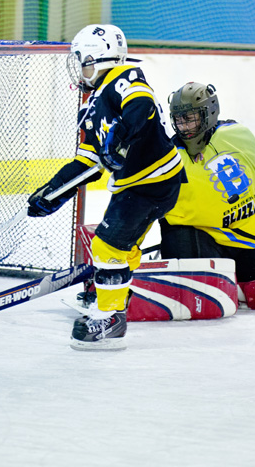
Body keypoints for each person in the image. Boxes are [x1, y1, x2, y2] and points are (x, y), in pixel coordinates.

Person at [27, 24, 184, 350]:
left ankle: (111, 318)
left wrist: (121, 134)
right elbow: (88, 164)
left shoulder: (124, 76)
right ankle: (116, 291)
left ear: (95, 58)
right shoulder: (91, 106)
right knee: (120, 247)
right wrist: (53, 193)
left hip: (151, 181)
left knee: (107, 247)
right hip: (141, 185)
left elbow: (140, 105)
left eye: (81, 60)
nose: (78, 67)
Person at [160, 82, 255, 304]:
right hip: (191, 236)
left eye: (190, 118)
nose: (184, 126)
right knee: (203, 272)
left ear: (208, 113)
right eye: (179, 119)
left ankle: (232, 279)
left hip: (238, 236)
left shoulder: (238, 135)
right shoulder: (169, 154)